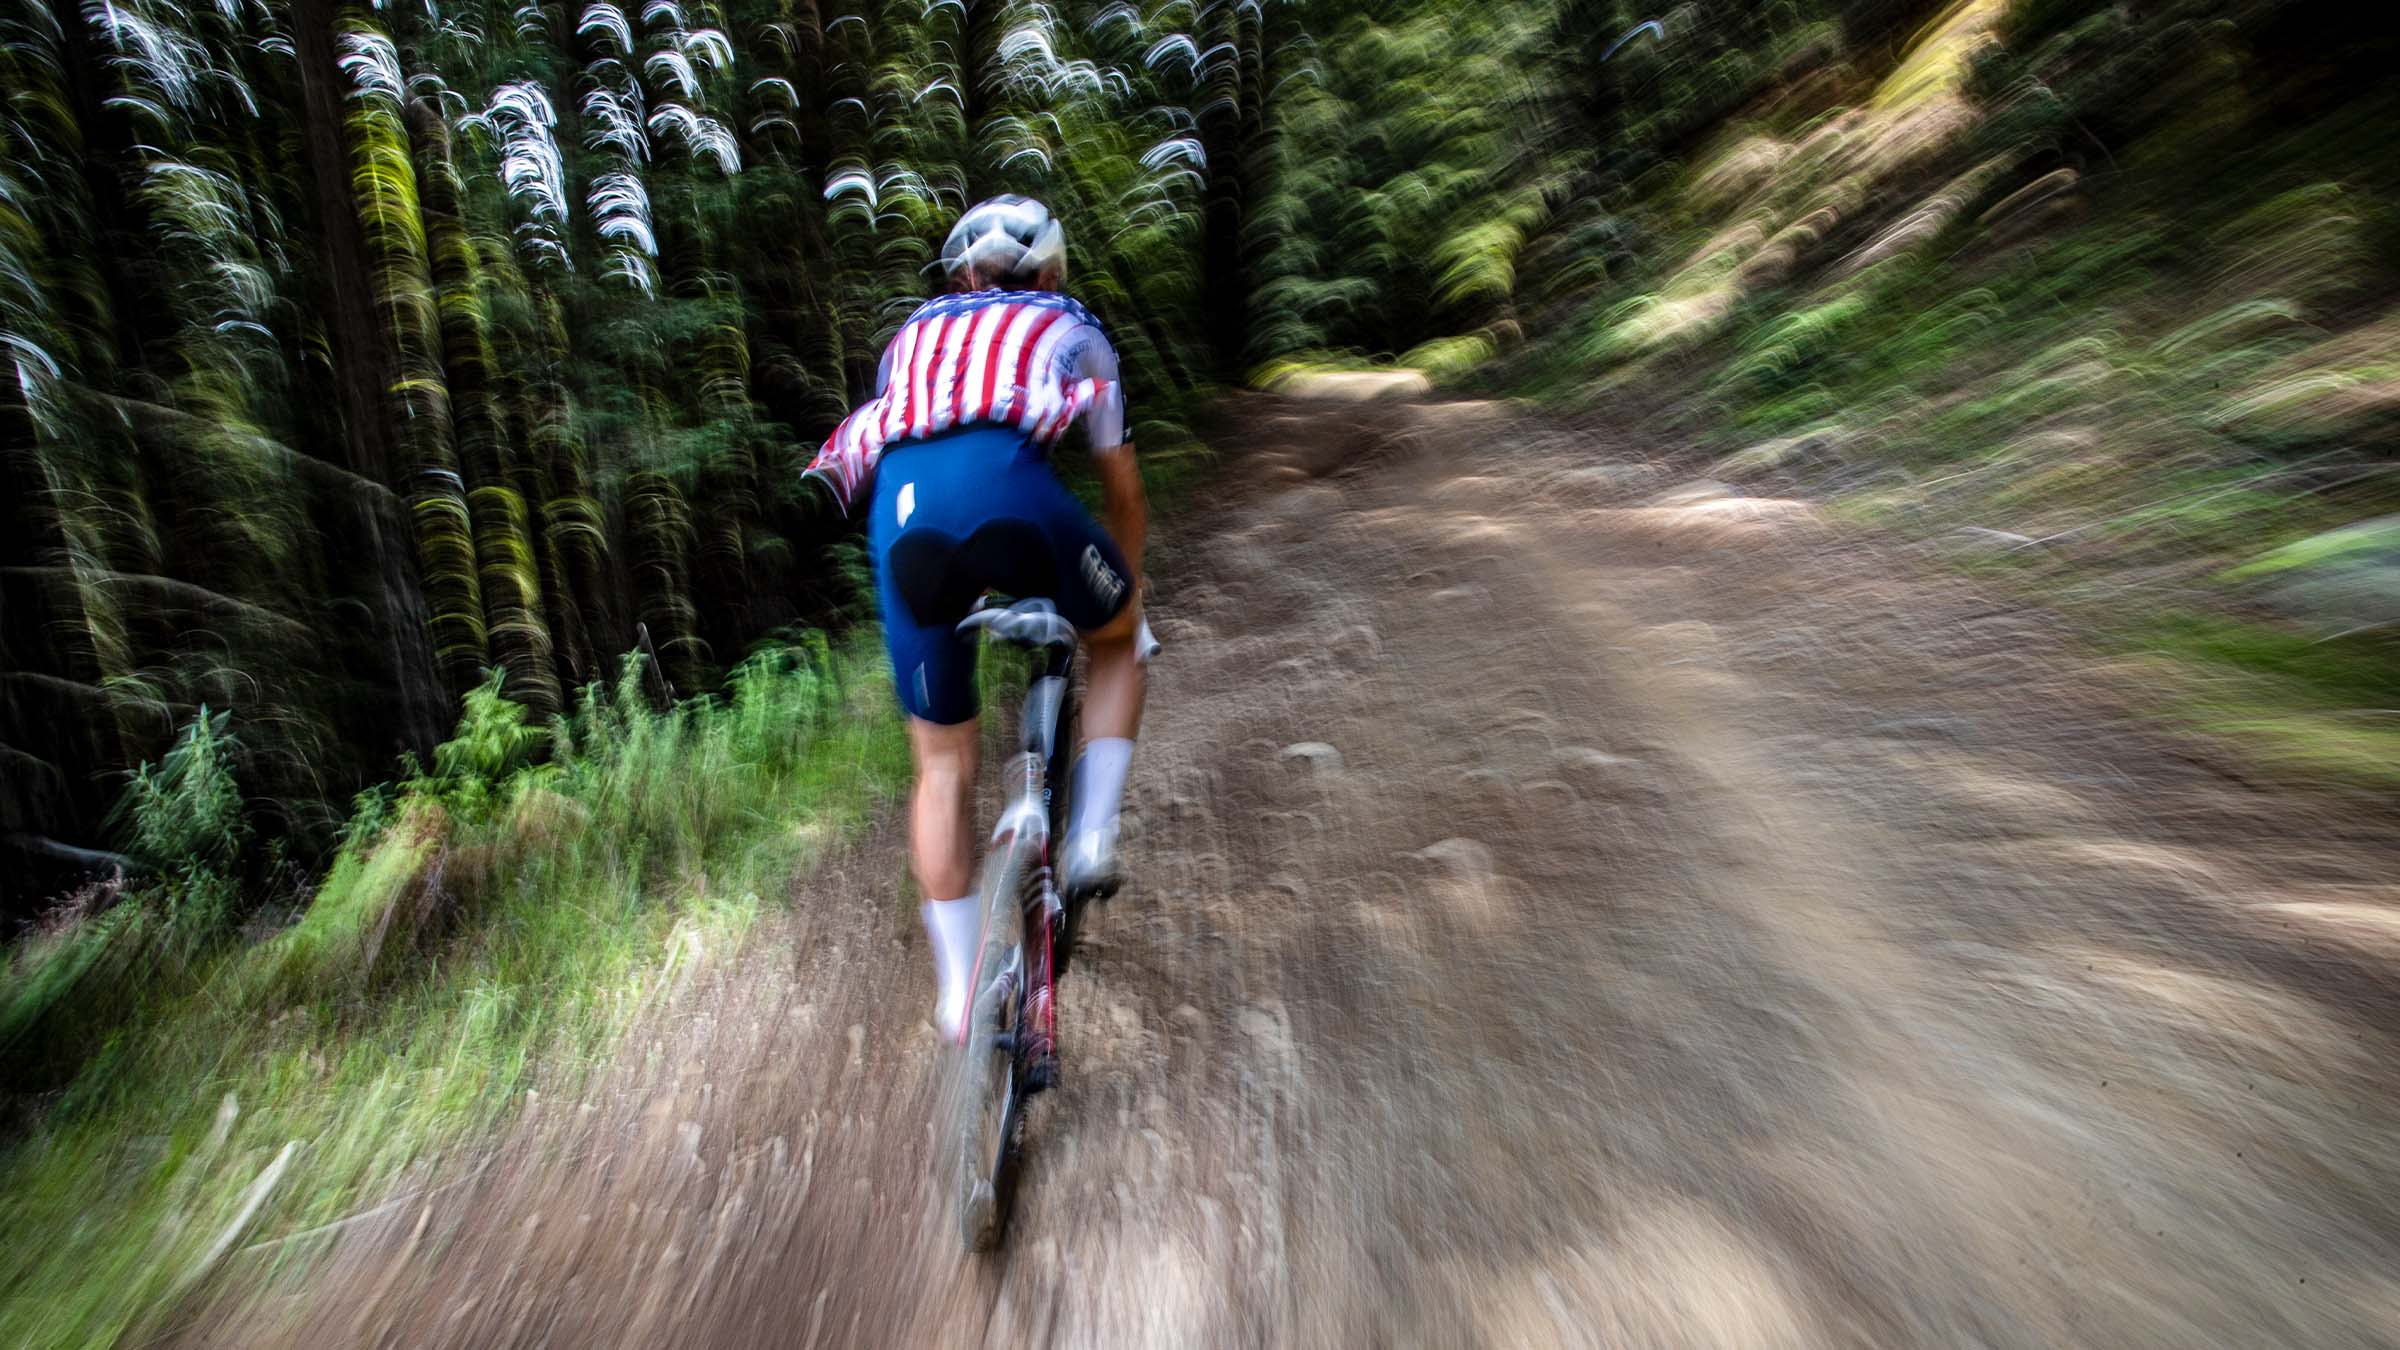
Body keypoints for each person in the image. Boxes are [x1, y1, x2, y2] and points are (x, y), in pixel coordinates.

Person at [806, 195, 1149, 1040]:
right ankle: (1091, 841)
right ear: (1052, 267)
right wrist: (1125, 591)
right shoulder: (1072, 325)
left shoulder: (909, 338)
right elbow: (1122, 488)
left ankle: (960, 996)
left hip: (904, 518)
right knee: (1118, 642)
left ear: (959, 272)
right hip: (1016, 498)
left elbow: (907, 438)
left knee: (940, 764)